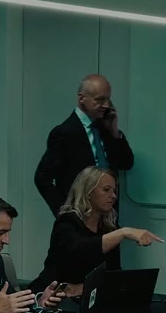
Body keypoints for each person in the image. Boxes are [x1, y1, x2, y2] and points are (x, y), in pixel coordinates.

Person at [29, 167, 162, 295]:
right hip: (51, 294)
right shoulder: (67, 221)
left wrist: (84, 288)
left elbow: (112, 273)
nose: (113, 196)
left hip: (89, 296)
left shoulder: (108, 227)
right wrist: (123, 232)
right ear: (88, 192)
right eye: (106, 190)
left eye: (114, 191)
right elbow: (79, 252)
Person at [34, 75, 134, 216]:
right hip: (80, 215)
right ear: (82, 98)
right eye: (100, 99)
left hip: (109, 215)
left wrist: (114, 132)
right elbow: (42, 178)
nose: (106, 105)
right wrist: (64, 213)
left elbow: (126, 163)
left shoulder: (106, 129)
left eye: (108, 99)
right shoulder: (65, 132)